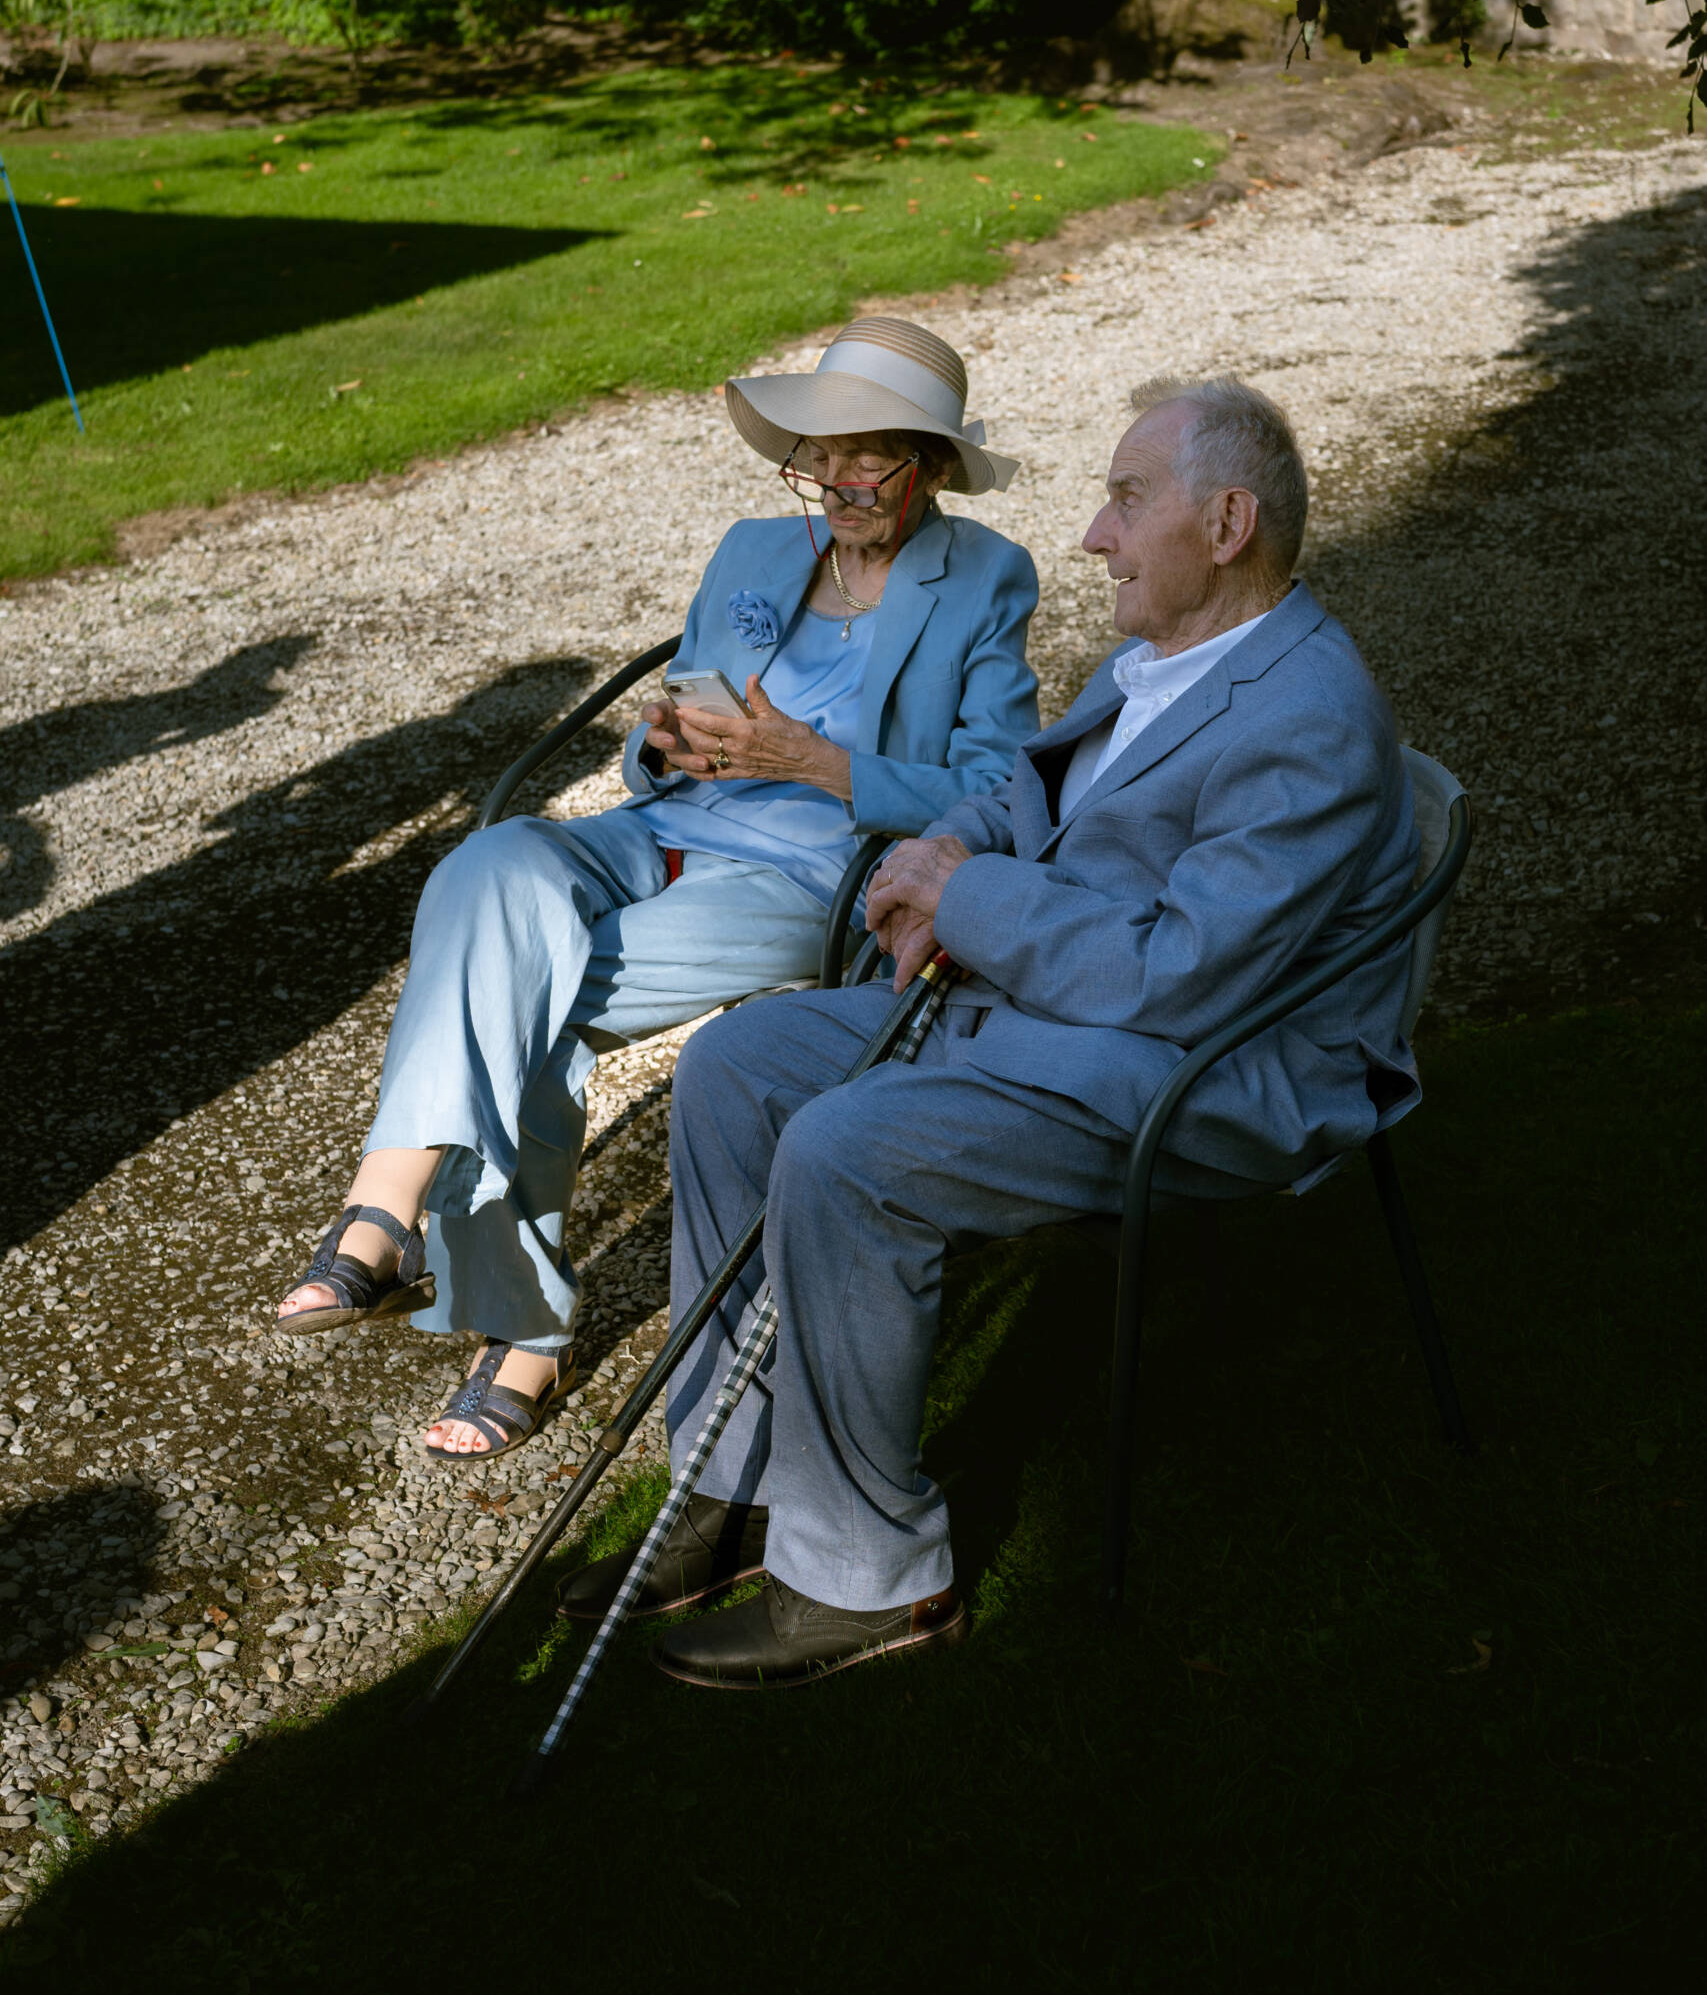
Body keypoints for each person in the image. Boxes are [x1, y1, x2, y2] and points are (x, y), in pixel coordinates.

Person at [561, 375, 1422, 1685]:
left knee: (847, 1151)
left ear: (1227, 523)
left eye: (1126, 500)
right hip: (1068, 1004)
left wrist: (968, 900)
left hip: (1212, 1070)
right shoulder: (1159, 658)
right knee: (736, 1065)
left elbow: (1183, 976)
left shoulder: (1305, 717)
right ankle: (740, 1484)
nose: (1092, 534)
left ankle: (868, 1577)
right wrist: (934, 858)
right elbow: (1025, 792)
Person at [271, 316, 1037, 1459]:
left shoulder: (983, 579)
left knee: (524, 991)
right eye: (820, 453)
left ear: (926, 465)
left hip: (812, 874)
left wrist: (818, 763)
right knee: (489, 865)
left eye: (865, 457)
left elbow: (999, 791)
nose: (834, 480)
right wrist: (661, 741)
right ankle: (397, 1200)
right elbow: (666, 719)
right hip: (668, 822)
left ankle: (484, 1298)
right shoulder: (755, 549)